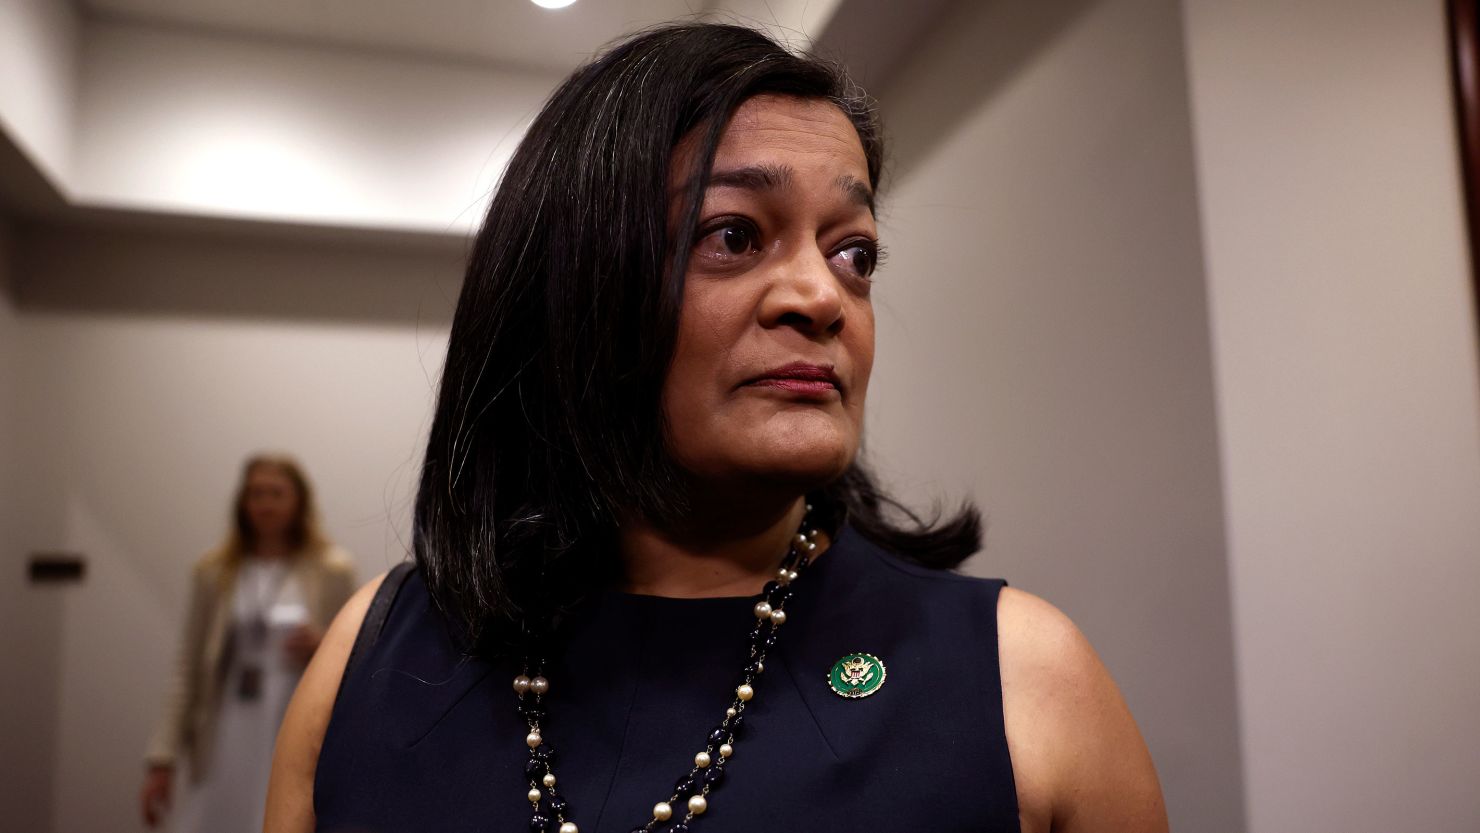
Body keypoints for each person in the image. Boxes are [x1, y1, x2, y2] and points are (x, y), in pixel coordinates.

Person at [266, 23, 1167, 833]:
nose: (822, 296)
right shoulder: (372, 660)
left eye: (853, 252)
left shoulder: (1024, 679)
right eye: (735, 236)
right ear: (576, 286)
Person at [142, 454, 357, 833]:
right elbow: (188, 667)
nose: (266, 504)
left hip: (294, 716)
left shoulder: (331, 569)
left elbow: (357, 657)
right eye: (256, 493)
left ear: (299, 501)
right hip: (228, 723)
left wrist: (323, 644)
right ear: (242, 501)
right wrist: (163, 756)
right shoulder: (215, 572)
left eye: (276, 493)